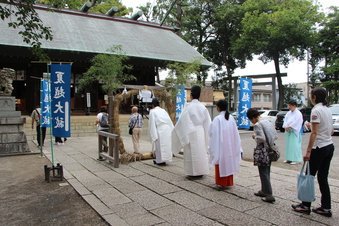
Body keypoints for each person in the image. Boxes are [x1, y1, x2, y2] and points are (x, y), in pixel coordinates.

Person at [292, 87, 334, 217]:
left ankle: (305, 205)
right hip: (329, 146)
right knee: (323, 178)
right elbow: (331, 130)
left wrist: (308, 151)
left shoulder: (316, 110)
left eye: (311, 95)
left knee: (309, 176)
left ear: (314, 97)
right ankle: (326, 207)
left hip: (319, 147)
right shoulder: (327, 109)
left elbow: (314, 133)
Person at [172, 85, 211, 177]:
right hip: (200, 131)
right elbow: (208, 124)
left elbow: (182, 121)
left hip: (189, 131)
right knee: (201, 150)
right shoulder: (203, 107)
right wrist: (208, 137)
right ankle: (201, 171)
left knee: (190, 152)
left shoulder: (188, 107)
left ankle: (191, 172)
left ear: (191, 95)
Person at [208, 99, 243, 187]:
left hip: (221, 146)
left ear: (218, 108)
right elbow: (235, 132)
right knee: (229, 163)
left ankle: (221, 183)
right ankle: (229, 182)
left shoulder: (217, 119)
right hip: (230, 146)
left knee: (221, 163)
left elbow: (213, 132)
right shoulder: (230, 118)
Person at [247, 108, 278, 203]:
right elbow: (276, 135)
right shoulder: (268, 122)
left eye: (250, 119)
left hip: (262, 150)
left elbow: (261, 138)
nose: (251, 122)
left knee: (263, 171)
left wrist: (254, 136)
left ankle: (269, 194)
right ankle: (264, 190)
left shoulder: (257, 125)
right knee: (267, 170)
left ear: (252, 118)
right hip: (271, 149)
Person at [148, 98, 174, 165]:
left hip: (159, 129)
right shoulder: (163, 111)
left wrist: (153, 134)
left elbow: (152, 124)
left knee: (159, 146)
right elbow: (169, 121)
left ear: (153, 105)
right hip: (167, 129)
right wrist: (172, 130)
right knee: (166, 145)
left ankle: (159, 161)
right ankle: (165, 159)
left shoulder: (152, 111)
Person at [283, 100, 303, 165]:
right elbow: (285, 120)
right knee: (289, 145)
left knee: (295, 145)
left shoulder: (298, 113)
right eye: (289, 106)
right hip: (288, 130)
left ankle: (295, 159)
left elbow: (297, 122)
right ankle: (289, 158)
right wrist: (285, 127)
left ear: (294, 106)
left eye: (290, 106)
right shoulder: (288, 113)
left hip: (294, 131)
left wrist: (290, 126)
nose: (289, 107)